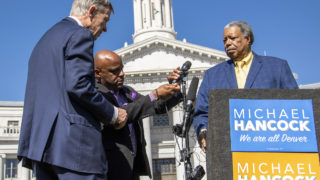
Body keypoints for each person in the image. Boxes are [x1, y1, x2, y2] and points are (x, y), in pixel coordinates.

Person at [17, 1, 127, 179]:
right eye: (105, 20)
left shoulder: (45, 40)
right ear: (91, 12)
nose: (105, 28)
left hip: (40, 147)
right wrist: (113, 113)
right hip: (74, 148)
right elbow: (79, 86)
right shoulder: (80, 34)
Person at [193, 21, 298, 152]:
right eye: (225, 40)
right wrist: (203, 130)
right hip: (229, 149)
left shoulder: (277, 67)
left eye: (232, 38)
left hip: (272, 145)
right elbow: (202, 112)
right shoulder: (212, 75)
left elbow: (296, 105)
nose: (227, 43)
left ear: (247, 39)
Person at [94, 50, 182, 180]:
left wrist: (173, 89)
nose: (122, 74)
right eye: (115, 71)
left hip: (132, 167)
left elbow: (154, 107)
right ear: (98, 73)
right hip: (111, 167)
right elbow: (121, 115)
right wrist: (154, 95)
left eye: (122, 69)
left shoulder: (127, 92)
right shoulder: (95, 94)